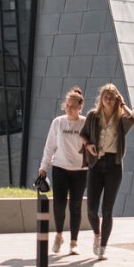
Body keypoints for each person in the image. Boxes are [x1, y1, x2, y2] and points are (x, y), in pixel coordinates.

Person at [79, 84, 134, 261]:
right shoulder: (93, 116)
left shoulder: (121, 121)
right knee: (91, 210)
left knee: (107, 210)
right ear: (101, 98)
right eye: (106, 96)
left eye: (112, 97)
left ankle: (103, 246)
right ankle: (97, 234)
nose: (109, 99)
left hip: (114, 165)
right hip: (96, 163)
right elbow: (83, 135)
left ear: (116, 100)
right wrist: (88, 145)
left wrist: (123, 104)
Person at [38, 87, 88, 255]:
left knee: (76, 206)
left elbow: (93, 145)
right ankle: (59, 235)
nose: (69, 109)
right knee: (59, 205)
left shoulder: (85, 122)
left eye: (73, 106)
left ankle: (74, 242)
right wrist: (44, 167)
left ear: (80, 107)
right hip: (60, 168)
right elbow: (50, 146)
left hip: (80, 170)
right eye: (67, 105)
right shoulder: (58, 122)